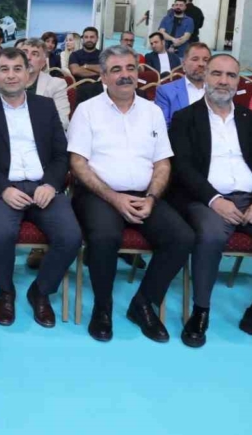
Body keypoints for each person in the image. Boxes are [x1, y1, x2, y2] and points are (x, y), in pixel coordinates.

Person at [170, 54, 252, 353]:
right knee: (210, 237)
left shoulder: (251, 119)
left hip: (251, 198)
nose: (223, 81)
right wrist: (214, 200)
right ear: (205, 76)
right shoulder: (185, 118)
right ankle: (200, 311)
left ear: (238, 81)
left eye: (231, 75)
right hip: (206, 199)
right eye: (217, 74)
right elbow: (183, 168)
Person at [69, 45, 194, 343]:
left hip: (144, 194)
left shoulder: (152, 112)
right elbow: (78, 163)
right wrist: (114, 198)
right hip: (98, 194)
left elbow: (163, 163)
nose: (125, 75)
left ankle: (143, 303)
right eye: (116, 70)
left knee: (182, 237)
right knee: (104, 237)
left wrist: (151, 198)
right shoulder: (87, 110)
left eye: (130, 68)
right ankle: (103, 308)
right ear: (103, 77)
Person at [0, 48, 80, 327]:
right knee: (0, 234)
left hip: (43, 186)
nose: (11, 75)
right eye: (4, 69)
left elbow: (61, 154)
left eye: (17, 69)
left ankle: (40, 291)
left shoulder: (45, 107)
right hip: (2, 188)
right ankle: (6, 291)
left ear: (28, 73)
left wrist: (51, 184)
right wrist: (4, 189)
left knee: (70, 237)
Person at [19, 38, 70, 130]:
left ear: (43, 63)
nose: (28, 57)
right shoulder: (4, 83)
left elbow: (63, 122)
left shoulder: (56, 85)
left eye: (35, 54)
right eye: (24, 52)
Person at [155, 42, 211, 126]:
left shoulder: (219, 90)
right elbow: (162, 127)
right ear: (184, 64)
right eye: (195, 59)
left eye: (206, 60)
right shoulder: (165, 91)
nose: (201, 64)